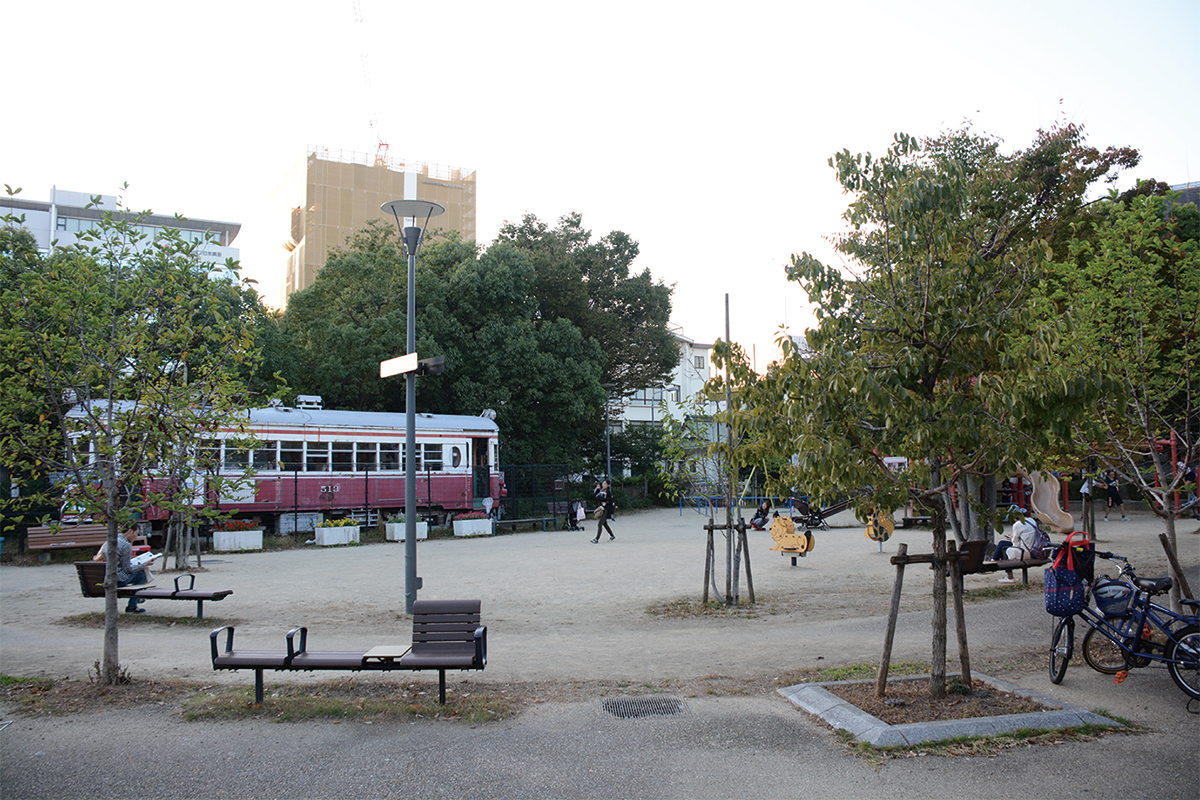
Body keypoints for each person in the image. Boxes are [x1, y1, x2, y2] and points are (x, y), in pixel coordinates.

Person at [92, 527, 150, 613]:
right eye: (136, 534)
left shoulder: (108, 542)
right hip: (117, 580)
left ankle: (138, 597)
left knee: (138, 573)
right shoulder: (125, 545)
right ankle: (133, 604)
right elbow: (128, 569)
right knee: (140, 575)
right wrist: (144, 565)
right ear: (130, 531)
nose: (136, 537)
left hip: (106, 578)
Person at [992, 517, 1042, 583]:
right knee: (1002, 544)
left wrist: (1012, 538)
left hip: (1024, 552)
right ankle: (994, 560)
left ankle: (994, 563)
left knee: (1003, 547)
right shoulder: (1031, 520)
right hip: (1034, 550)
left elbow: (1015, 543)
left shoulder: (1018, 524)